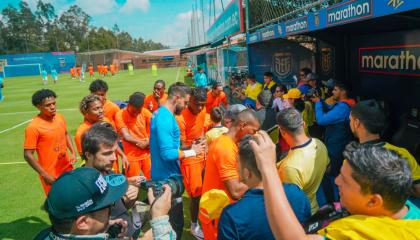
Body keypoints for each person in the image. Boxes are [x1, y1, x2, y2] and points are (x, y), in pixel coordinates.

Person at [250, 133, 420, 240]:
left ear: (373, 201)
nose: (336, 181)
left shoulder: (356, 233)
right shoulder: (410, 213)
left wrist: (268, 168)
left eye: (345, 180)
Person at [34, 167, 177, 240]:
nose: (111, 208)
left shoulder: (44, 235)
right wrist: (160, 221)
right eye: (108, 206)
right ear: (83, 222)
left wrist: (103, 230)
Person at [218, 135, 311, 240]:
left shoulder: (232, 216)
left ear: (246, 173)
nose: (236, 168)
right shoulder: (296, 192)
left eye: (237, 163)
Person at [150, 82, 206, 240]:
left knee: (168, 224)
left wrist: (190, 147)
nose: (186, 105)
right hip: (165, 180)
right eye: (186, 102)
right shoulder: (165, 118)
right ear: (176, 98)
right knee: (173, 226)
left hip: (167, 177)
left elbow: (168, 146)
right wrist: (192, 152)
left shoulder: (163, 115)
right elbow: (167, 153)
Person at [200, 109, 260, 240]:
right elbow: (236, 191)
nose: (254, 135)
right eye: (254, 131)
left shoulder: (231, 143)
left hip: (222, 213)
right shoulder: (225, 148)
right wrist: (261, 176)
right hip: (215, 215)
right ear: (243, 125)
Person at [350, 100, 420, 199]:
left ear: (356, 123)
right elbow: (418, 191)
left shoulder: (352, 161)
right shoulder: (403, 154)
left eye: (350, 120)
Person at [276, 108, 329, 214]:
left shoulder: (289, 167)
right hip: (315, 205)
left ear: (281, 131)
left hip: (304, 215)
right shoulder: (319, 144)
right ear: (304, 124)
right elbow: (327, 167)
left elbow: (294, 203)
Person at [24, 89, 76, 195]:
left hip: (67, 167)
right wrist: (44, 175)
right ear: (39, 107)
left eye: (54, 103)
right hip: (51, 174)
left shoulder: (60, 117)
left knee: (73, 198)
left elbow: (65, 134)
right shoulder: (33, 127)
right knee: (58, 205)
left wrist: (73, 152)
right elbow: (28, 154)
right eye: (48, 105)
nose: (52, 107)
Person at [311, 82, 356, 202]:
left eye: (335, 90)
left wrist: (317, 104)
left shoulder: (343, 107)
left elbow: (321, 120)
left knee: (329, 174)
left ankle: (335, 203)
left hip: (336, 146)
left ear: (343, 92)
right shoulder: (343, 105)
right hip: (337, 143)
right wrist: (320, 101)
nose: (332, 92)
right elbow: (331, 109)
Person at [176, 87, 211, 239]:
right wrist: (194, 147)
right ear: (189, 100)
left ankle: (206, 218)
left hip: (203, 154)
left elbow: (201, 131)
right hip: (190, 158)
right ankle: (194, 224)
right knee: (196, 194)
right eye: (197, 104)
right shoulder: (180, 117)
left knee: (208, 188)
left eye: (203, 104)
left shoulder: (203, 111)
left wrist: (204, 140)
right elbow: (181, 145)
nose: (200, 107)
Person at [74, 94, 128, 172]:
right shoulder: (81, 133)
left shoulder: (105, 121)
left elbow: (113, 143)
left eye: (101, 107)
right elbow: (86, 160)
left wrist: (122, 155)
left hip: (113, 169)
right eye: (96, 109)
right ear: (86, 112)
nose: (101, 111)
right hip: (99, 173)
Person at [115, 92, 153, 179]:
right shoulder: (120, 114)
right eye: (133, 111)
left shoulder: (145, 112)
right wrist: (142, 143)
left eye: (138, 111)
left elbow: (157, 128)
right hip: (131, 156)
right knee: (133, 183)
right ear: (129, 105)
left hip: (147, 154)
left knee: (152, 179)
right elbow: (126, 136)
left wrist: (148, 142)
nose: (136, 113)